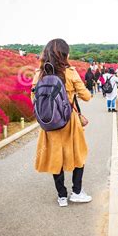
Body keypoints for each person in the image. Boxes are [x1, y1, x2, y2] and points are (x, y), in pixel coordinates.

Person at [31, 38, 92, 207]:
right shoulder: (70, 72)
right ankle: (77, 192)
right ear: (65, 54)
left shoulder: (39, 74)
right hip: (69, 121)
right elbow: (86, 96)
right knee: (79, 154)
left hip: (50, 122)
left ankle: (62, 196)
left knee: (55, 156)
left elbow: (33, 100)